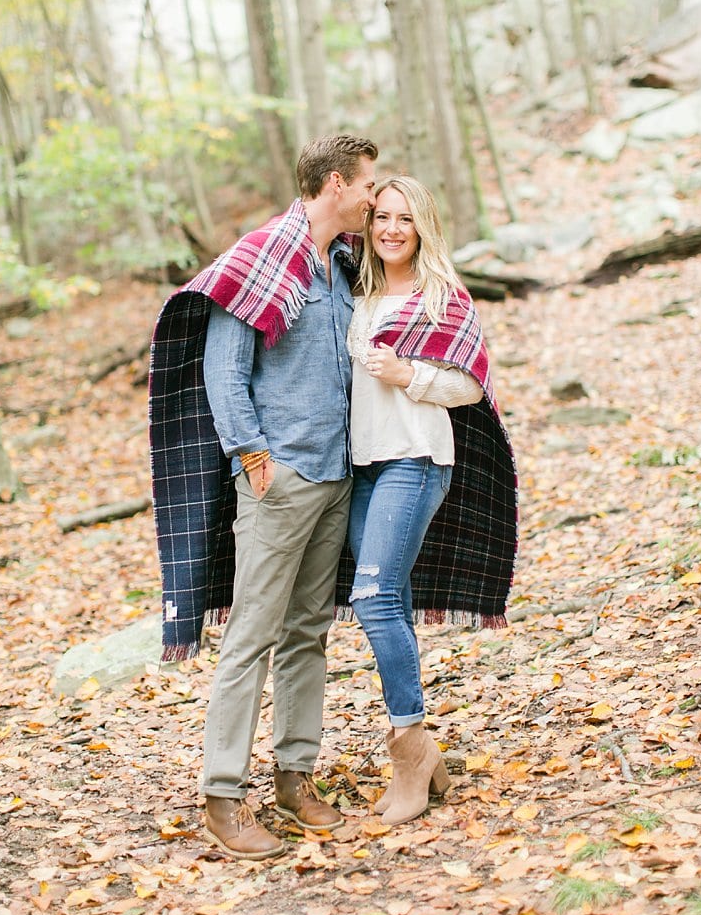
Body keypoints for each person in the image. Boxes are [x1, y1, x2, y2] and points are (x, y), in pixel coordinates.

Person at [149, 134, 378, 860]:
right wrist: (255, 459)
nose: (374, 198)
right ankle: (222, 794)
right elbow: (226, 370)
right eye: (367, 184)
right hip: (280, 481)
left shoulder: (341, 266)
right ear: (336, 183)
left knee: (309, 631)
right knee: (251, 636)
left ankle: (294, 776)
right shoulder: (258, 258)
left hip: (335, 473)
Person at [343, 175, 511, 825]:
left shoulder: (445, 296)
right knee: (393, 601)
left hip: (416, 459)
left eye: (403, 219)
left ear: (422, 227)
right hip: (362, 465)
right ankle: (425, 758)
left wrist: (408, 373)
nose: (390, 229)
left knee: (373, 596)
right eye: (381, 217)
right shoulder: (357, 295)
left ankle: (409, 746)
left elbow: (471, 386)